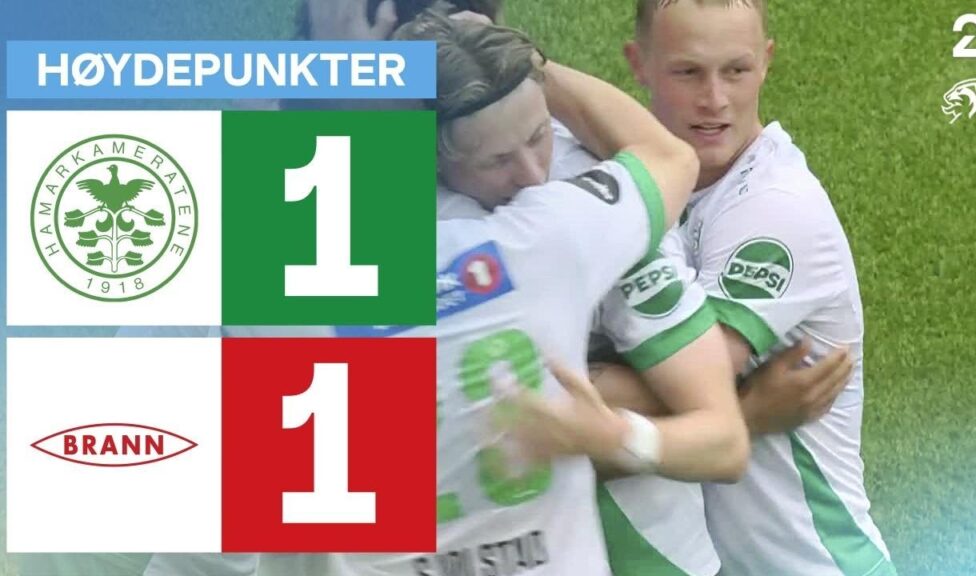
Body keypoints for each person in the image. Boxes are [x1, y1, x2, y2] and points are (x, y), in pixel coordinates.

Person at [334, 8, 699, 575]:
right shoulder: (545, 234)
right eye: (498, 160)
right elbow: (671, 156)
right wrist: (533, 66)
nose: (532, 176)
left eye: (537, 136)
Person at [618, 1, 897, 574]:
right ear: (638, 64)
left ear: (766, 62)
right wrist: (749, 412)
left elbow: (686, 380)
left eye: (736, 70)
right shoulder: (654, 181)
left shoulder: (776, 206)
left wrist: (555, 398)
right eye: (688, 72)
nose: (715, 99)